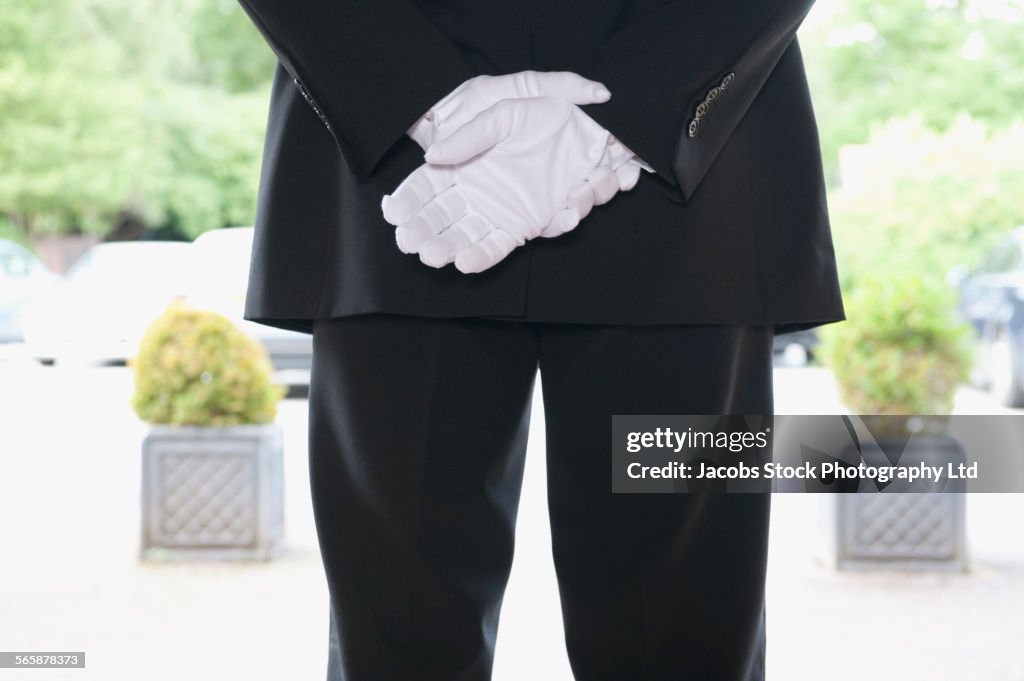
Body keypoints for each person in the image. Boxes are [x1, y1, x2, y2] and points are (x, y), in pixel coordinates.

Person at [234, 1, 845, 679]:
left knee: (688, 636)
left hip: (675, 185)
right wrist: (425, 99)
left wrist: (610, 120)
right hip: (413, 191)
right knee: (397, 637)